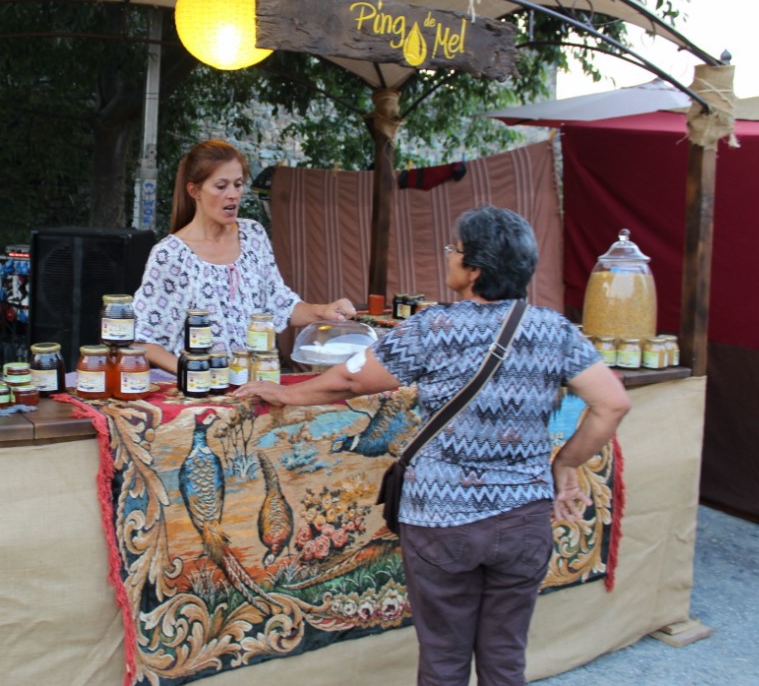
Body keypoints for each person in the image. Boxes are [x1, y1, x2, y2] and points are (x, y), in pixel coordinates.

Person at [233, 205, 631, 686]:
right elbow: (611, 403)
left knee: (443, 659)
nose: (449, 258)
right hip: (524, 519)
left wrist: (284, 394)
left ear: (474, 270)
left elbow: (352, 382)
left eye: (454, 250)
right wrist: (565, 462)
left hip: (442, 521)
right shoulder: (555, 331)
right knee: (506, 658)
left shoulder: (435, 327)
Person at [133, 140, 355, 375]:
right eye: (221, 186)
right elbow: (143, 339)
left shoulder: (253, 235)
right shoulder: (170, 255)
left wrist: (324, 311)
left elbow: (279, 304)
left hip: (256, 384)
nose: (233, 195)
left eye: (238, 185)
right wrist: (193, 372)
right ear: (194, 190)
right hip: (199, 396)